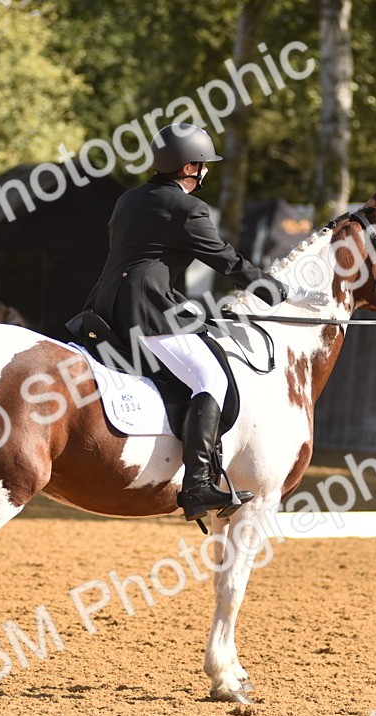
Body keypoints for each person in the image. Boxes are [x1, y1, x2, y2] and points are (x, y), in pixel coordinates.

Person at [80, 122, 328, 521]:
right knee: (210, 377)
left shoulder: (129, 198)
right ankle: (197, 485)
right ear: (188, 167)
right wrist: (276, 290)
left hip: (105, 306)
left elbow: (145, 260)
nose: (206, 171)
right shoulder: (187, 208)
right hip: (145, 311)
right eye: (203, 164)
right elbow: (225, 259)